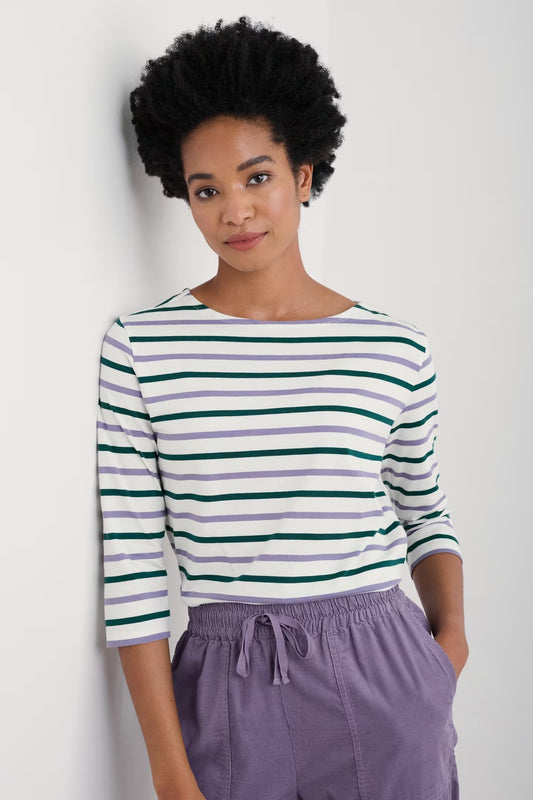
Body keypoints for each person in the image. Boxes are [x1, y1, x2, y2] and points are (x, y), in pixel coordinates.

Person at [96, 16, 468, 800]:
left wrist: (448, 648)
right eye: (207, 189)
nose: (234, 210)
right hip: (226, 679)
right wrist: (169, 771)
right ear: (183, 195)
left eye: (256, 176)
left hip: (383, 669)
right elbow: (132, 570)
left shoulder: (392, 348)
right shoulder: (142, 347)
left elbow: (424, 509)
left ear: (303, 175)